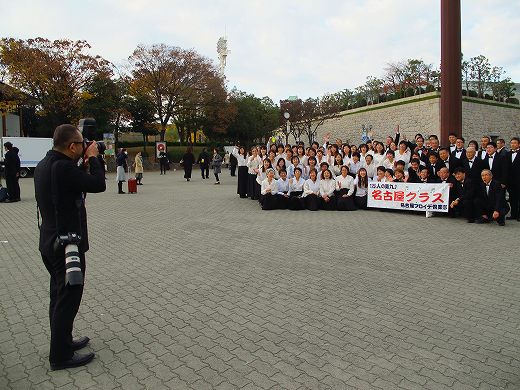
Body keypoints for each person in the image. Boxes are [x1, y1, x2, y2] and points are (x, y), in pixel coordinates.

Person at [34, 124, 106, 370]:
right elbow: (98, 184)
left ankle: (63, 341)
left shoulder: (46, 164)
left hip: (50, 241)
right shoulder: (64, 168)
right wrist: (94, 158)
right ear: (71, 146)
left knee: (58, 295)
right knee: (68, 298)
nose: (83, 148)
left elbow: (70, 186)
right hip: (67, 245)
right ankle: (60, 356)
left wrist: (83, 162)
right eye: (81, 144)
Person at [505, 137, 520, 221]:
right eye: (511, 143)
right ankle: (513, 214)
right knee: (512, 198)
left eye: (514, 143)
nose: (513, 144)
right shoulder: (508, 154)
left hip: (519, 180)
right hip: (510, 181)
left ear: (519, 144)